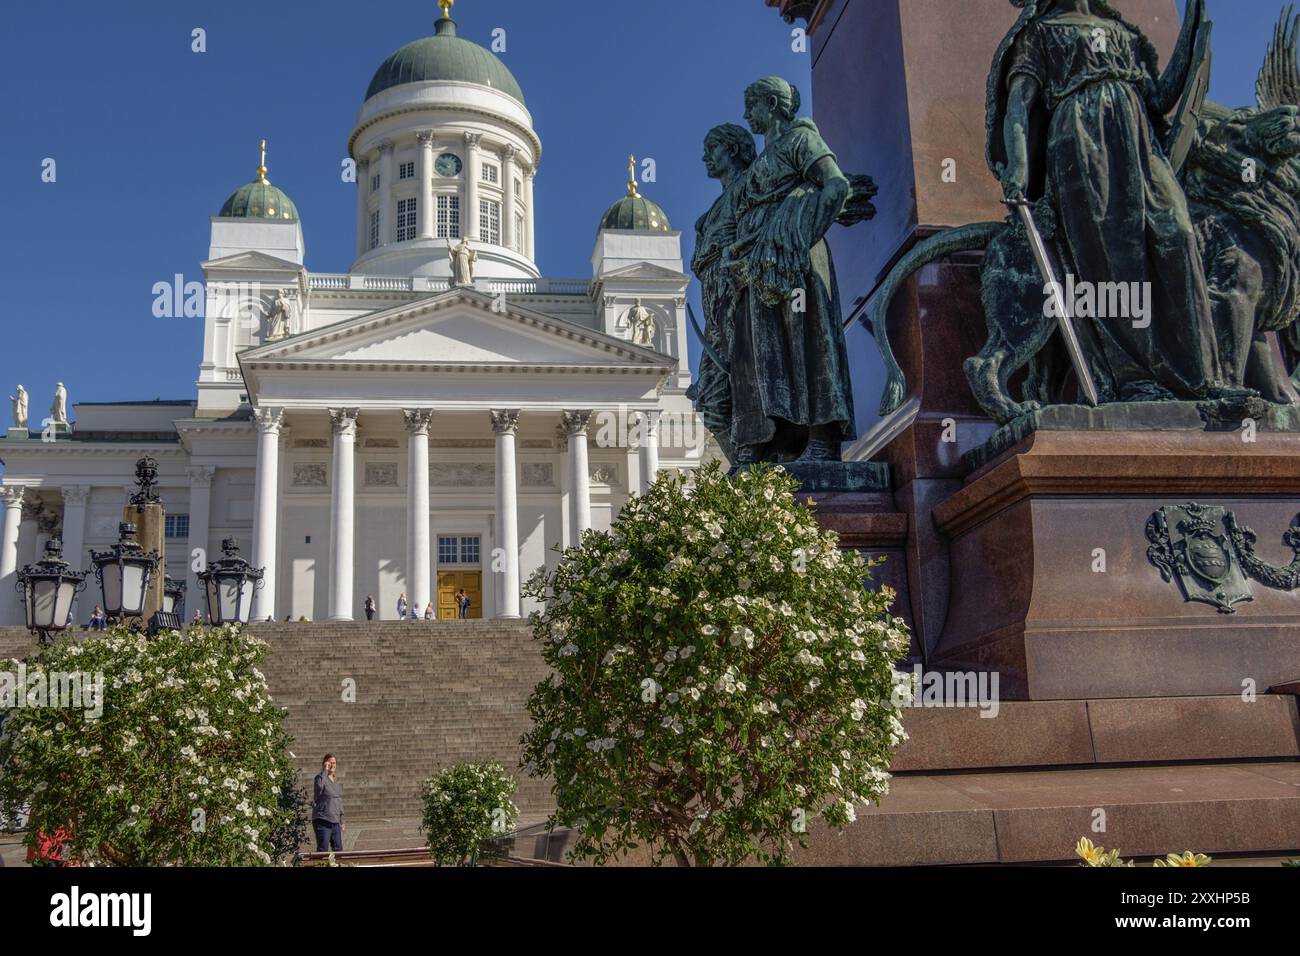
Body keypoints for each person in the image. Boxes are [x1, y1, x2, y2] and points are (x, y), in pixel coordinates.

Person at [989, 0, 1238, 402]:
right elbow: (1018, 102)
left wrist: (1192, 28)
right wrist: (1017, 166)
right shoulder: (1042, 32)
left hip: (1139, 141)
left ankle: (1201, 374)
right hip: (1081, 141)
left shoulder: (1124, 32)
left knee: (1177, 232)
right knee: (1113, 260)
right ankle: (1136, 378)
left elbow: (1159, 96)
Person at [725, 76, 857, 463]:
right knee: (765, 355)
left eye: (753, 105)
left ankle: (821, 438)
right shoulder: (759, 165)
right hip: (758, 266)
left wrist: (796, 228)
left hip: (795, 260)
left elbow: (836, 186)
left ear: (773, 104)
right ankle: (782, 441)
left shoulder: (801, 139)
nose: (747, 113)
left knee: (807, 343)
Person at [312, 754, 344, 854]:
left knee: (339, 851)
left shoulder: (336, 783)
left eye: (334, 763)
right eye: (329, 763)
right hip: (323, 820)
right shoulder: (320, 778)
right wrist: (325, 770)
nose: (332, 765)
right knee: (322, 851)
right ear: (324, 764)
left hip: (335, 822)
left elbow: (339, 802)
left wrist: (342, 820)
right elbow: (319, 787)